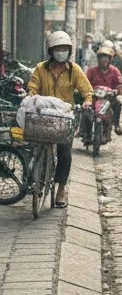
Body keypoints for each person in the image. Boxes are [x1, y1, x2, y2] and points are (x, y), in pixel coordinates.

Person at [27, 31, 93, 208]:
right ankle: (35, 179)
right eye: (58, 49)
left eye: (64, 49)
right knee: (35, 145)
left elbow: (87, 91)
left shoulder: (75, 70)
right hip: (44, 114)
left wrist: (87, 102)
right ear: (51, 51)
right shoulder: (41, 68)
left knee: (64, 153)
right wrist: (31, 97)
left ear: (69, 51)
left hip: (64, 117)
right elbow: (33, 86)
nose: (61, 52)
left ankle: (61, 189)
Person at [86, 43, 122, 138]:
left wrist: (118, 90)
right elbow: (85, 83)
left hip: (109, 98)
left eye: (106, 57)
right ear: (98, 59)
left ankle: (116, 125)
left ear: (110, 59)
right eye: (101, 57)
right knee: (85, 108)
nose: (104, 59)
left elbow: (119, 84)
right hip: (94, 97)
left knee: (118, 103)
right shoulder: (91, 71)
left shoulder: (115, 71)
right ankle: (81, 128)